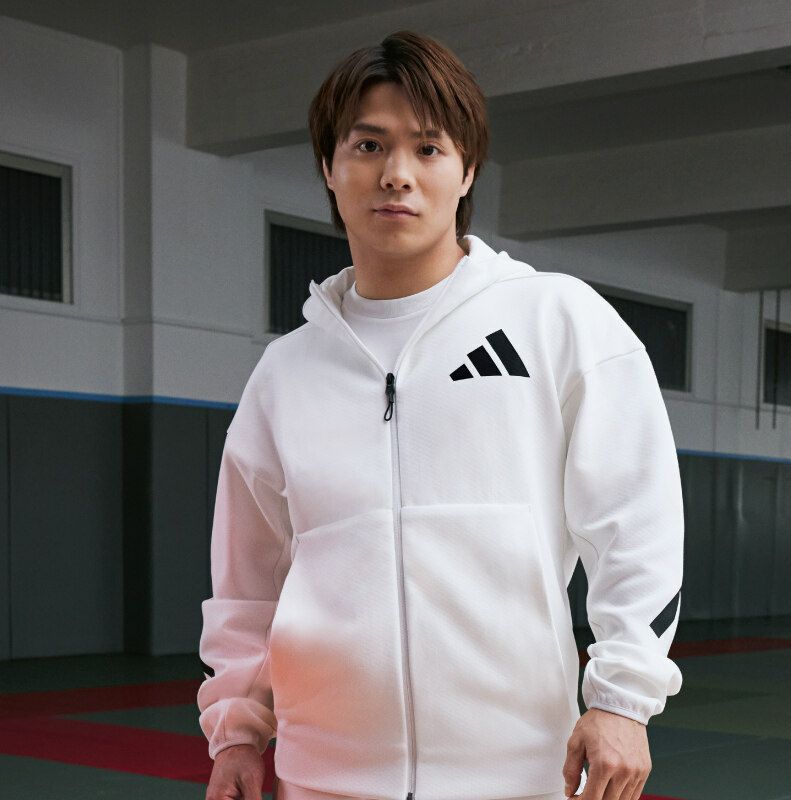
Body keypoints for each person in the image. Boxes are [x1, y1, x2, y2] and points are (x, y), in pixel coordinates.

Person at [198, 29, 684, 800]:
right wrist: (237, 730)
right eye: (368, 145)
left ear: (467, 171)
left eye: (428, 148)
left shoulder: (556, 320)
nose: (396, 174)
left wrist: (623, 699)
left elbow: (636, 520)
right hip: (321, 777)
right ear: (328, 166)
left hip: (518, 776)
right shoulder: (284, 374)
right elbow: (247, 583)